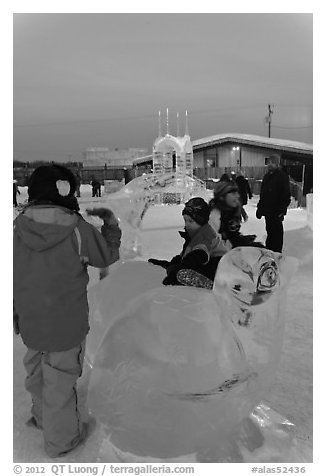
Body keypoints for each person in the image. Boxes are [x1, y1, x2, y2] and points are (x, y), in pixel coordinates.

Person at [13, 164, 121, 458]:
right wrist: (111, 226)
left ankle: (43, 418)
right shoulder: (77, 228)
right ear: (66, 192)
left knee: (36, 372)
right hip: (65, 323)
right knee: (60, 380)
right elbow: (106, 256)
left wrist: (15, 310)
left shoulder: (16, 228)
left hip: (31, 320)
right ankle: (61, 441)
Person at [148, 197, 230, 288]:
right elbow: (185, 257)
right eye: (185, 220)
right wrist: (168, 265)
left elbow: (199, 253)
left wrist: (179, 270)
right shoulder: (192, 236)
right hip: (205, 263)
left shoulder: (206, 234)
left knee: (189, 264)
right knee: (177, 264)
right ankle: (190, 275)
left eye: (191, 221)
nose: (187, 224)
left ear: (201, 221)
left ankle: (208, 281)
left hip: (221, 269)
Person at [209, 180, 263, 249]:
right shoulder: (215, 216)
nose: (237, 195)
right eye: (233, 193)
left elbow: (232, 234)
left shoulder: (231, 211)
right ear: (221, 197)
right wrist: (239, 244)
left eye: (237, 192)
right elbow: (213, 244)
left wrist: (242, 239)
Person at [256, 156, 291, 252]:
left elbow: (286, 195)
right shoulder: (266, 177)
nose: (270, 164)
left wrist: (281, 211)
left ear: (277, 164)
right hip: (268, 212)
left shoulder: (282, 176)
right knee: (270, 233)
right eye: (269, 162)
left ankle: (277, 255)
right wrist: (260, 208)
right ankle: (269, 253)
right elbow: (263, 195)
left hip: (276, 212)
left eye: (273, 162)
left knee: (277, 236)